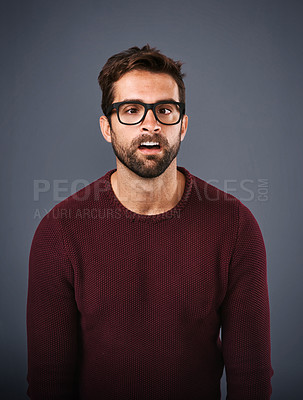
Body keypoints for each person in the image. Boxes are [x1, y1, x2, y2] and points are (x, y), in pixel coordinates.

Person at [27, 44, 273, 399]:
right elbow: (49, 382)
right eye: (130, 110)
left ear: (183, 125)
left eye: (165, 109)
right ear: (107, 127)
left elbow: (250, 378)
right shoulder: (59, 232)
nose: (151, 123)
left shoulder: (235, 226)